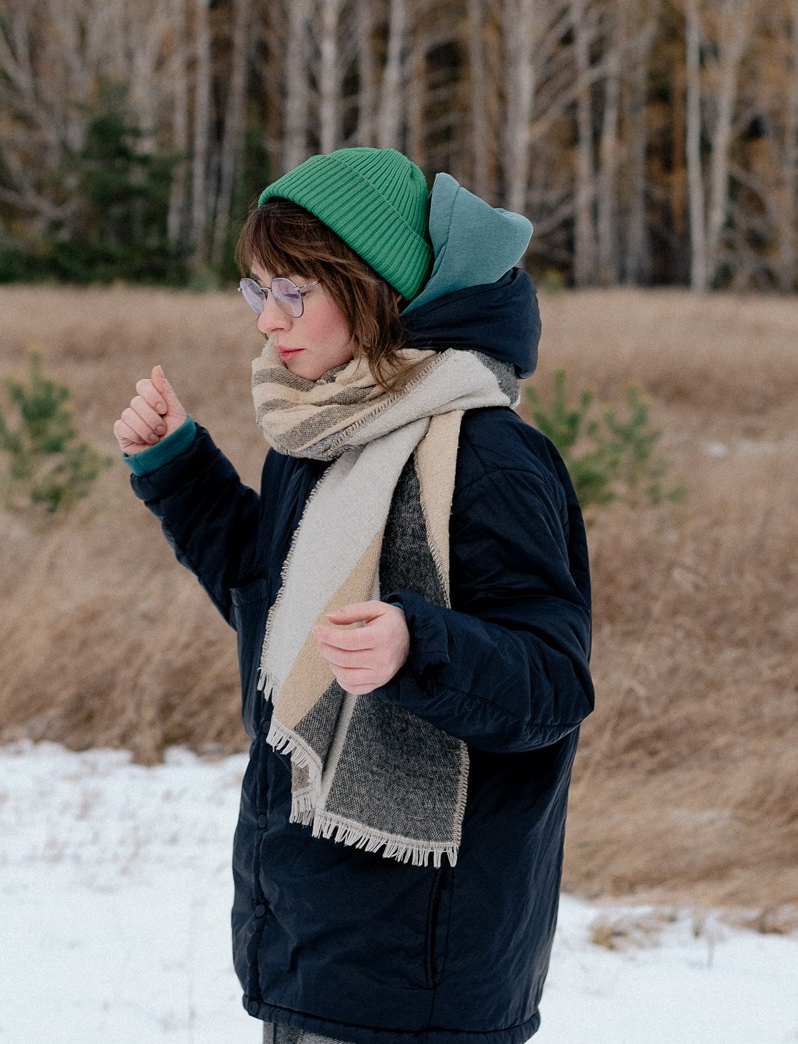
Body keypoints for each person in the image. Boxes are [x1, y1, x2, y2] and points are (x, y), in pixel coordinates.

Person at [114, 146, 594, 1044]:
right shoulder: (316, 438)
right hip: (309, 933)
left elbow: (554, 683)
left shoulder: (492, 459)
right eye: (257, 291)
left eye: (294, 291)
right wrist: (180, 469)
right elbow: (274, 612)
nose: (270, 322)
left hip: (426, 966)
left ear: (371, 287)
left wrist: (421, 646)